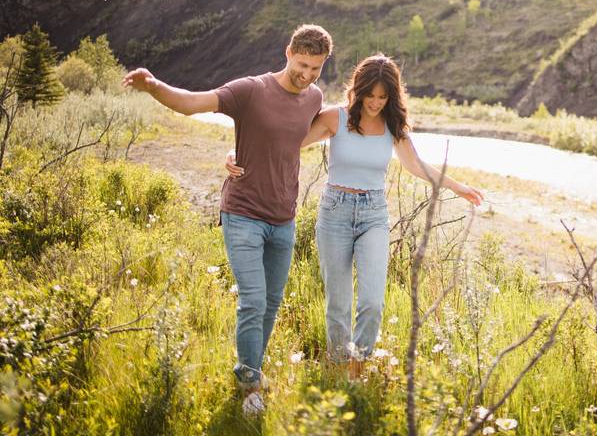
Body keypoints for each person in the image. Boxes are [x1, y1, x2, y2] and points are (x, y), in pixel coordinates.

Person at [226, 53, 482, 380]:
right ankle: (337, 367)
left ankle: (357, 366)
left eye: (382, 97)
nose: (375, 103)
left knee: (373, 302)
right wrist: (237, 152)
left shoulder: (393, 127)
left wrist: (458, 187)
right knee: (339, 304)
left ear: (391, 96)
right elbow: (285, 140)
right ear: (358, 90)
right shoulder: (335, 118)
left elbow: (416, 165)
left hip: (374, 214)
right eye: (369, 95)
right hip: (335, 212)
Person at [123, 24, 332, 416]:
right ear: (288, 52)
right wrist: (154, 86)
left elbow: (302, 135)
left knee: (271, 303)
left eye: (316, 69)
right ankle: (249, 385)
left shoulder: (314, 97)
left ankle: (250, 367)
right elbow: (191, 102)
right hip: (243, 213)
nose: (306, 76)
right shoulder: (250, 90)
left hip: (284, 217)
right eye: (302, 65)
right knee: (253, 300)